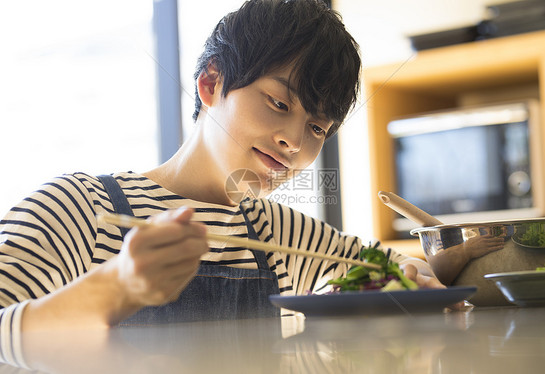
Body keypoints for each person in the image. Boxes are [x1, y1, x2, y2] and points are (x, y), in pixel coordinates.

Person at [0, 0, 444, 366]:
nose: (293, 141)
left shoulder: (276, 231)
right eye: (277, 102)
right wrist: (115, 287)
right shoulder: (83, 207)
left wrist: (405, 282)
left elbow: (397, 269)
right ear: (211, 83)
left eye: (316, 129)